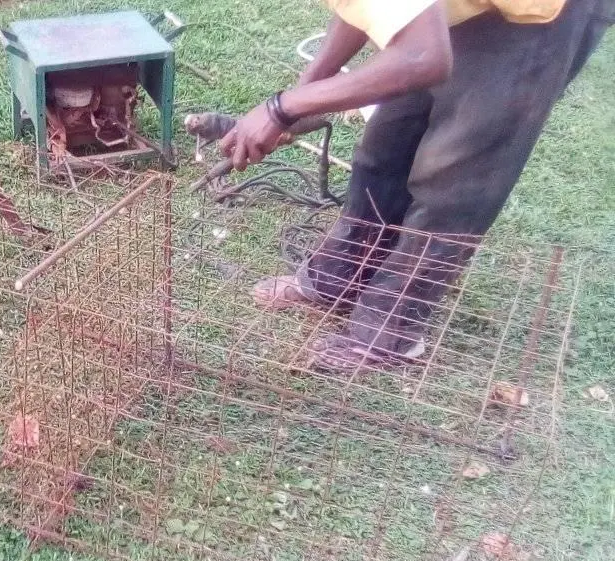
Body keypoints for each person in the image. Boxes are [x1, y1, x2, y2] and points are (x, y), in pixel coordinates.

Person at [219, 0, 612, 370]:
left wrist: (282, 108)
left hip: (536, 15)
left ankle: (391, 330)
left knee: (455, 175)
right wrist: (300, 97)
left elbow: (423, 58)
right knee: (385, 145)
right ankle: (340, 277)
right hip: (448, 12)